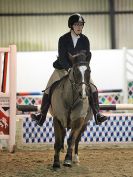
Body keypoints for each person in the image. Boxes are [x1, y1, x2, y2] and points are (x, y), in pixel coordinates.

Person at [31, 13, 107, 126]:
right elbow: (62, 57)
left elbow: (87, 56)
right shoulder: (63, 39)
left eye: (81, 25)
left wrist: (83, 69)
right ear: (71, 26)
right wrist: (69, 69)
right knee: (48, 88)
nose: (79, 27)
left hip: (79, 71)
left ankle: (97, 114)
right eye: (77, 24)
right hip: (62, 68)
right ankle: (41, 115)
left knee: (93, 87)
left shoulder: (85, 40)